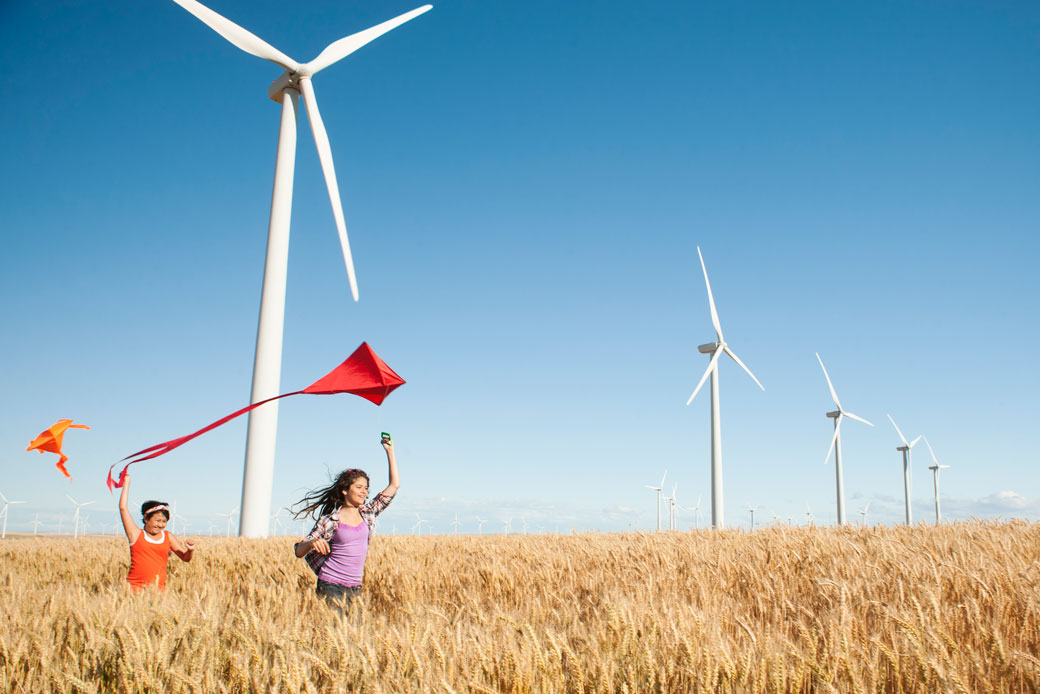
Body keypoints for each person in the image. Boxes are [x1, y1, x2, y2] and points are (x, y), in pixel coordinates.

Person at [293, 434, 399, 612]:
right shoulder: (330, 520)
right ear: (344, 490)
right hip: (330, 584)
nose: (364, 492)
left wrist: (390, 451)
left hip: (356, 586)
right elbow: (298, 551)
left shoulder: (368, 513)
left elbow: (394, 485)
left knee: (355, 635)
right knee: (336, 633)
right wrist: (312, 542)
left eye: (366, 488)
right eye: (359, 487)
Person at [118, 473, 195, 591]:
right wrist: (127, 482)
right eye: (157, 520)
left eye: (164, 521)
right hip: (133, 589)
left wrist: (190, 550)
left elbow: (185, 558)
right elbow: (123, 508)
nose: (161, 525)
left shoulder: (168, 537)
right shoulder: (136, 535)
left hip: (157, 590)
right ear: (146, 518)